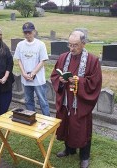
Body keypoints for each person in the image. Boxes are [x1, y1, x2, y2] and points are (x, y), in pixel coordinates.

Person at [50, 31, 102, 168]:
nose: (72, 49)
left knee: (81, 128)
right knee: (67, 125)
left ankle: (84, 156)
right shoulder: (63, 57)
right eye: (70, 45)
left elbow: (95, 82)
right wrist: (60, 80)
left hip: (81, 102)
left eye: (75, 45)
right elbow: (55, 75)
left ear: (83, 44)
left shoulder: (92, 60)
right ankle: (69, 150)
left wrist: (80, 81)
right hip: (66, 100)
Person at [14, 22, 50, 116]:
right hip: (26, 78)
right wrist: (24, 73)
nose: (27, 34)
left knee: (42, 100)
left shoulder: (40, 44)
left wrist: (33, 73)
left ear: (34, 32)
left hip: (37, 78)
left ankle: (47, 119)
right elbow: (19, 60)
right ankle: (31, 117)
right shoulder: (20, 45)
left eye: (29, 32)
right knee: (28, 100)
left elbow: (42, 61)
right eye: (25, 32)